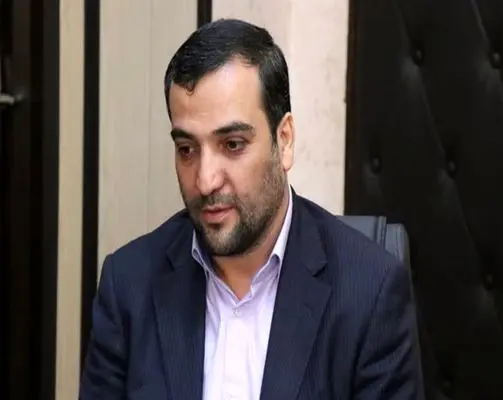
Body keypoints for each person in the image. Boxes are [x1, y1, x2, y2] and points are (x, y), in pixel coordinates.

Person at [79, 18, 422, 400]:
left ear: (284, 140)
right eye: (187, 149)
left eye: (233, 145)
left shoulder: (369, 293)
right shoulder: (129, 284)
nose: (205, 181)